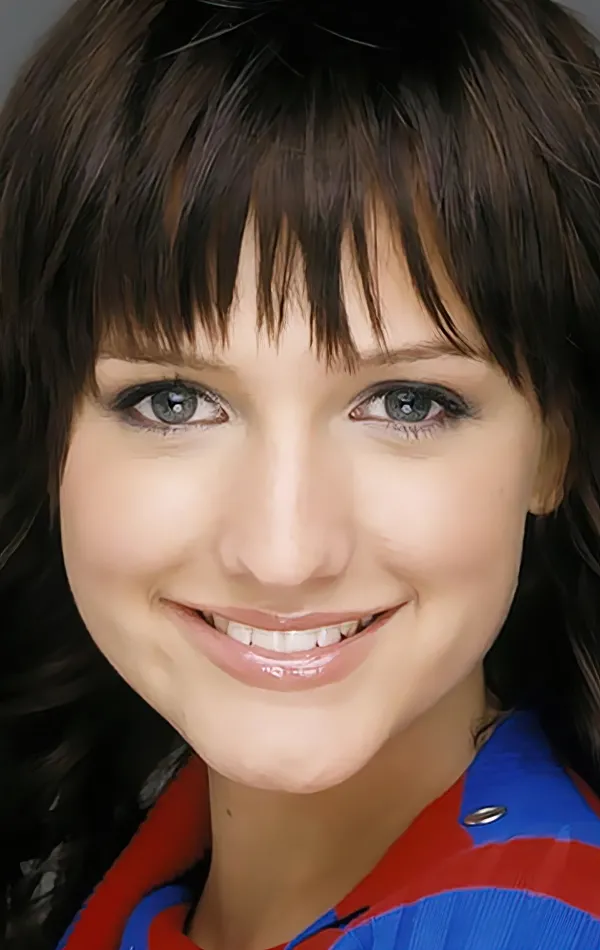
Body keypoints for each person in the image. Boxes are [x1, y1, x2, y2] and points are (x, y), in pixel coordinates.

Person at [3, 0, 600, 947]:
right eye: (173, 401)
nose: (283, 554)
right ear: (47, 433)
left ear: (555, 444)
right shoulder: (129, 868)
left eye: (407, 403)